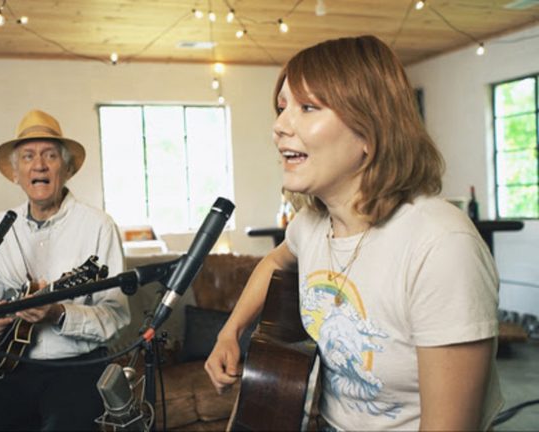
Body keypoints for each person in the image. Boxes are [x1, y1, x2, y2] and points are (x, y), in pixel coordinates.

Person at [204, 35, 502, 430]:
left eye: (308, 107)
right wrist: (230, 331)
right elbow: (275, 261)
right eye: (282, 107)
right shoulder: (310, 226)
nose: (279, 126)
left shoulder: (441, 247)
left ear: (368, 130)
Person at [0, 109, 130, 431]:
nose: (39, 165)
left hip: (79, 368)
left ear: (66, 169)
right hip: (11, 367)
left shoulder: (99, 226)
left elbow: (117, 318)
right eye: (28, 157)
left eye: (50, 155)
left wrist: (59, 313)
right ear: (16, 173)